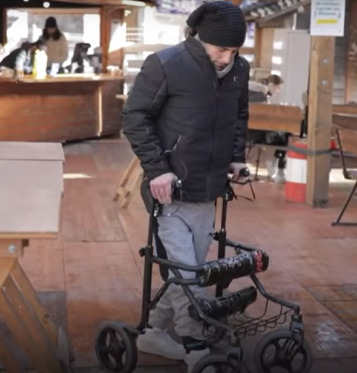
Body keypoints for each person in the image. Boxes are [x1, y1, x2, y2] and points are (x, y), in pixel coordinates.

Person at [121, 1, 249, 371]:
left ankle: (152, 333)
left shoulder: (239, 70)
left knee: (188, 269)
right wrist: (157, 169)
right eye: (221, 49)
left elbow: (238, 117)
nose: (227, 57)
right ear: (200, 38)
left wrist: (236, 158)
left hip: (209, 191)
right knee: (189, 272)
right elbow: (134, 117)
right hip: (169, 192)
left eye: (234, 49)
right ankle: (195, 343)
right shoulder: (165, 64)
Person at [247, 74, 287, 183]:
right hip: (254, 134)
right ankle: (278, 171)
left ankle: (273, 169)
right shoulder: (261, 95)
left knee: (281, 136)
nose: (278, 91)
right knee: (284, 137)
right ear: (272, 85)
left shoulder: (250, 91)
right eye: (278, 88)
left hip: (242, 131)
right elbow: (264, 119)